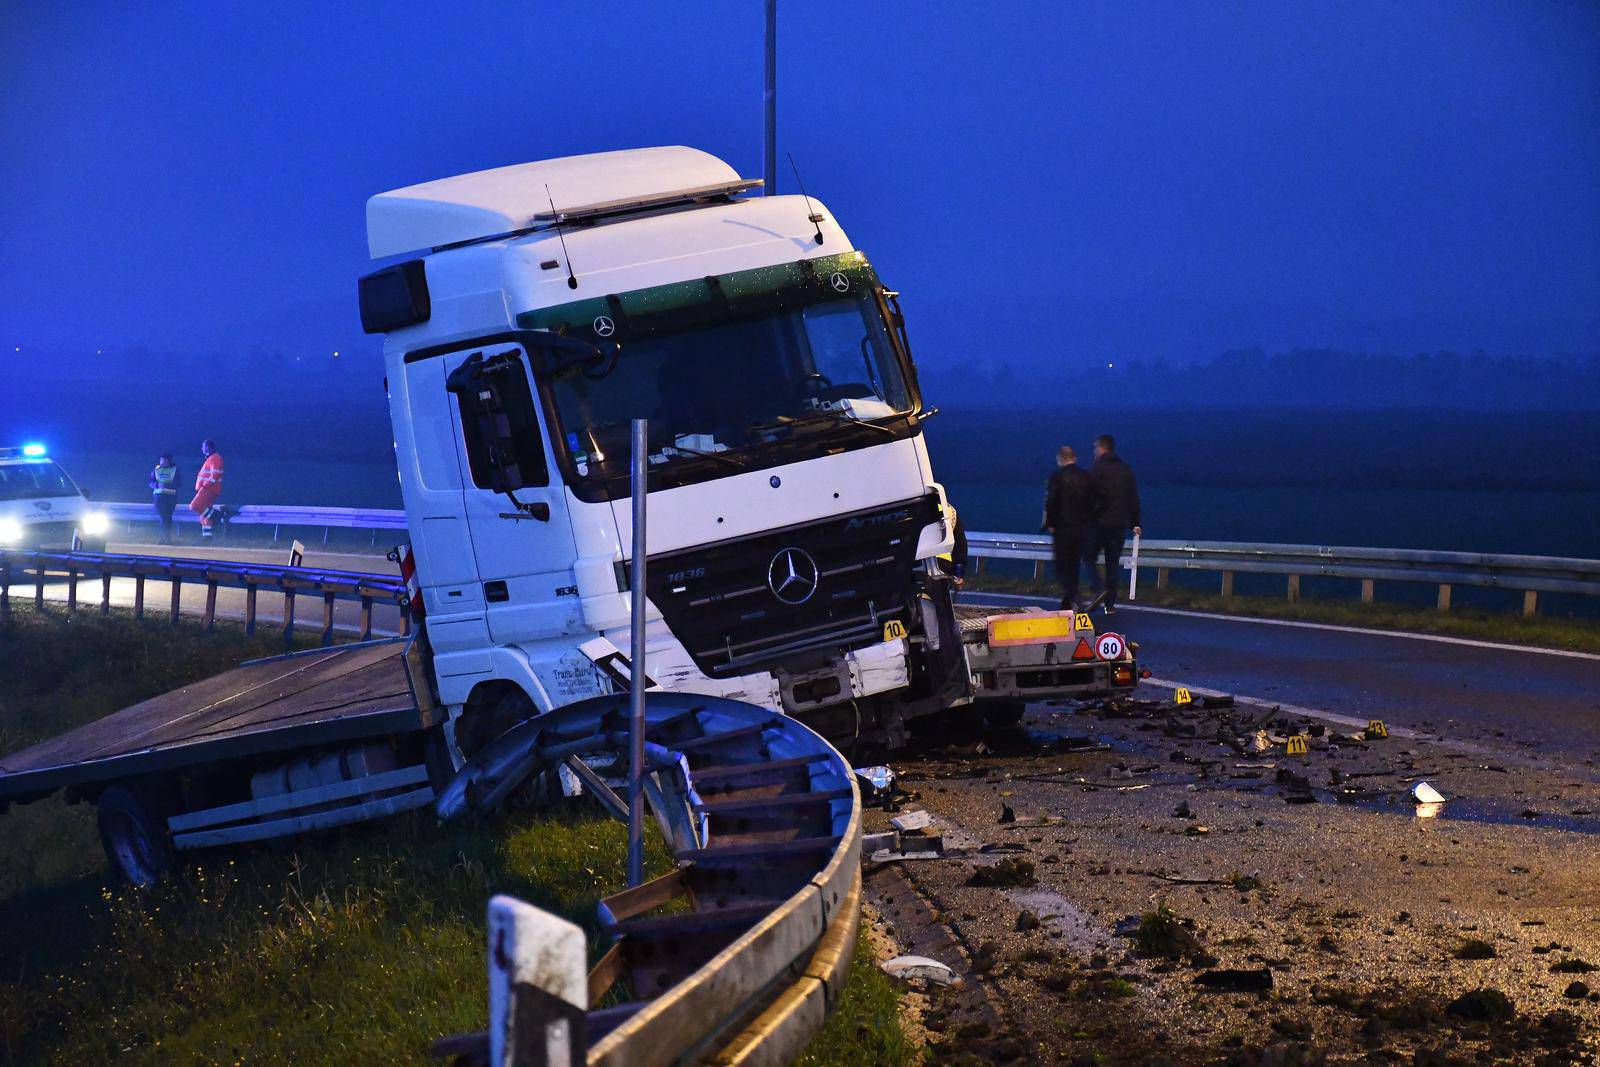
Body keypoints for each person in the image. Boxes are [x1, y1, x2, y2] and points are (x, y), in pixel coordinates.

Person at [1084, 434, 1141, 615]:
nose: (1094, 452)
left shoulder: (1096, 468)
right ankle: (1110, 605)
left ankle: (1098, 587)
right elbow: (1133, 498)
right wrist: (1135, 522)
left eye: (1095, 448)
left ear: (1101, 448)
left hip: (1099, 523)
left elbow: (1088, 496)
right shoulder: (1126, 470)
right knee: (1112, 564)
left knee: (1088, 556)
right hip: (1119, 525)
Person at [1041, 445, 1098, 609]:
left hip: (1062, 529)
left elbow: (1051, 502)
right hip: (1082, 529)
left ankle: (1075, 597)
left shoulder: (1057, 477)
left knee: (1061, 567)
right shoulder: (1086, 477)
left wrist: (1050, 523)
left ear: (1060, 459)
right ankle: (1069, 601)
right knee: (1073, 565)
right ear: (1075, 458)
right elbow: (1093, 503)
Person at [189, 439, 224, 541]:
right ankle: (207, 538)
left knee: (194, 506)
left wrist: (204, 485)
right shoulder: (211, 458)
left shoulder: (215, 458)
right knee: (204, 516)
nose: (201, 449)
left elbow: (215, 474)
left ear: (208, 447)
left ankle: (217, 515)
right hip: (207, 488)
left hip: (209, 489)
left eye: (203, 447)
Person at [149, 453, 179, 544]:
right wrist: (157, 485)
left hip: (170, 497)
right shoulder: (156, 470)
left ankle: (166, 537)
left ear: (166, 460)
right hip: (159, 497)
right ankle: (165, 538)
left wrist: (167, 485)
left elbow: (178, 483)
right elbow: (150, 482)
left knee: (168, 517)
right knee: (163, 517)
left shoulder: (175, 471)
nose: (160, 461)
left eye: (161, 459)